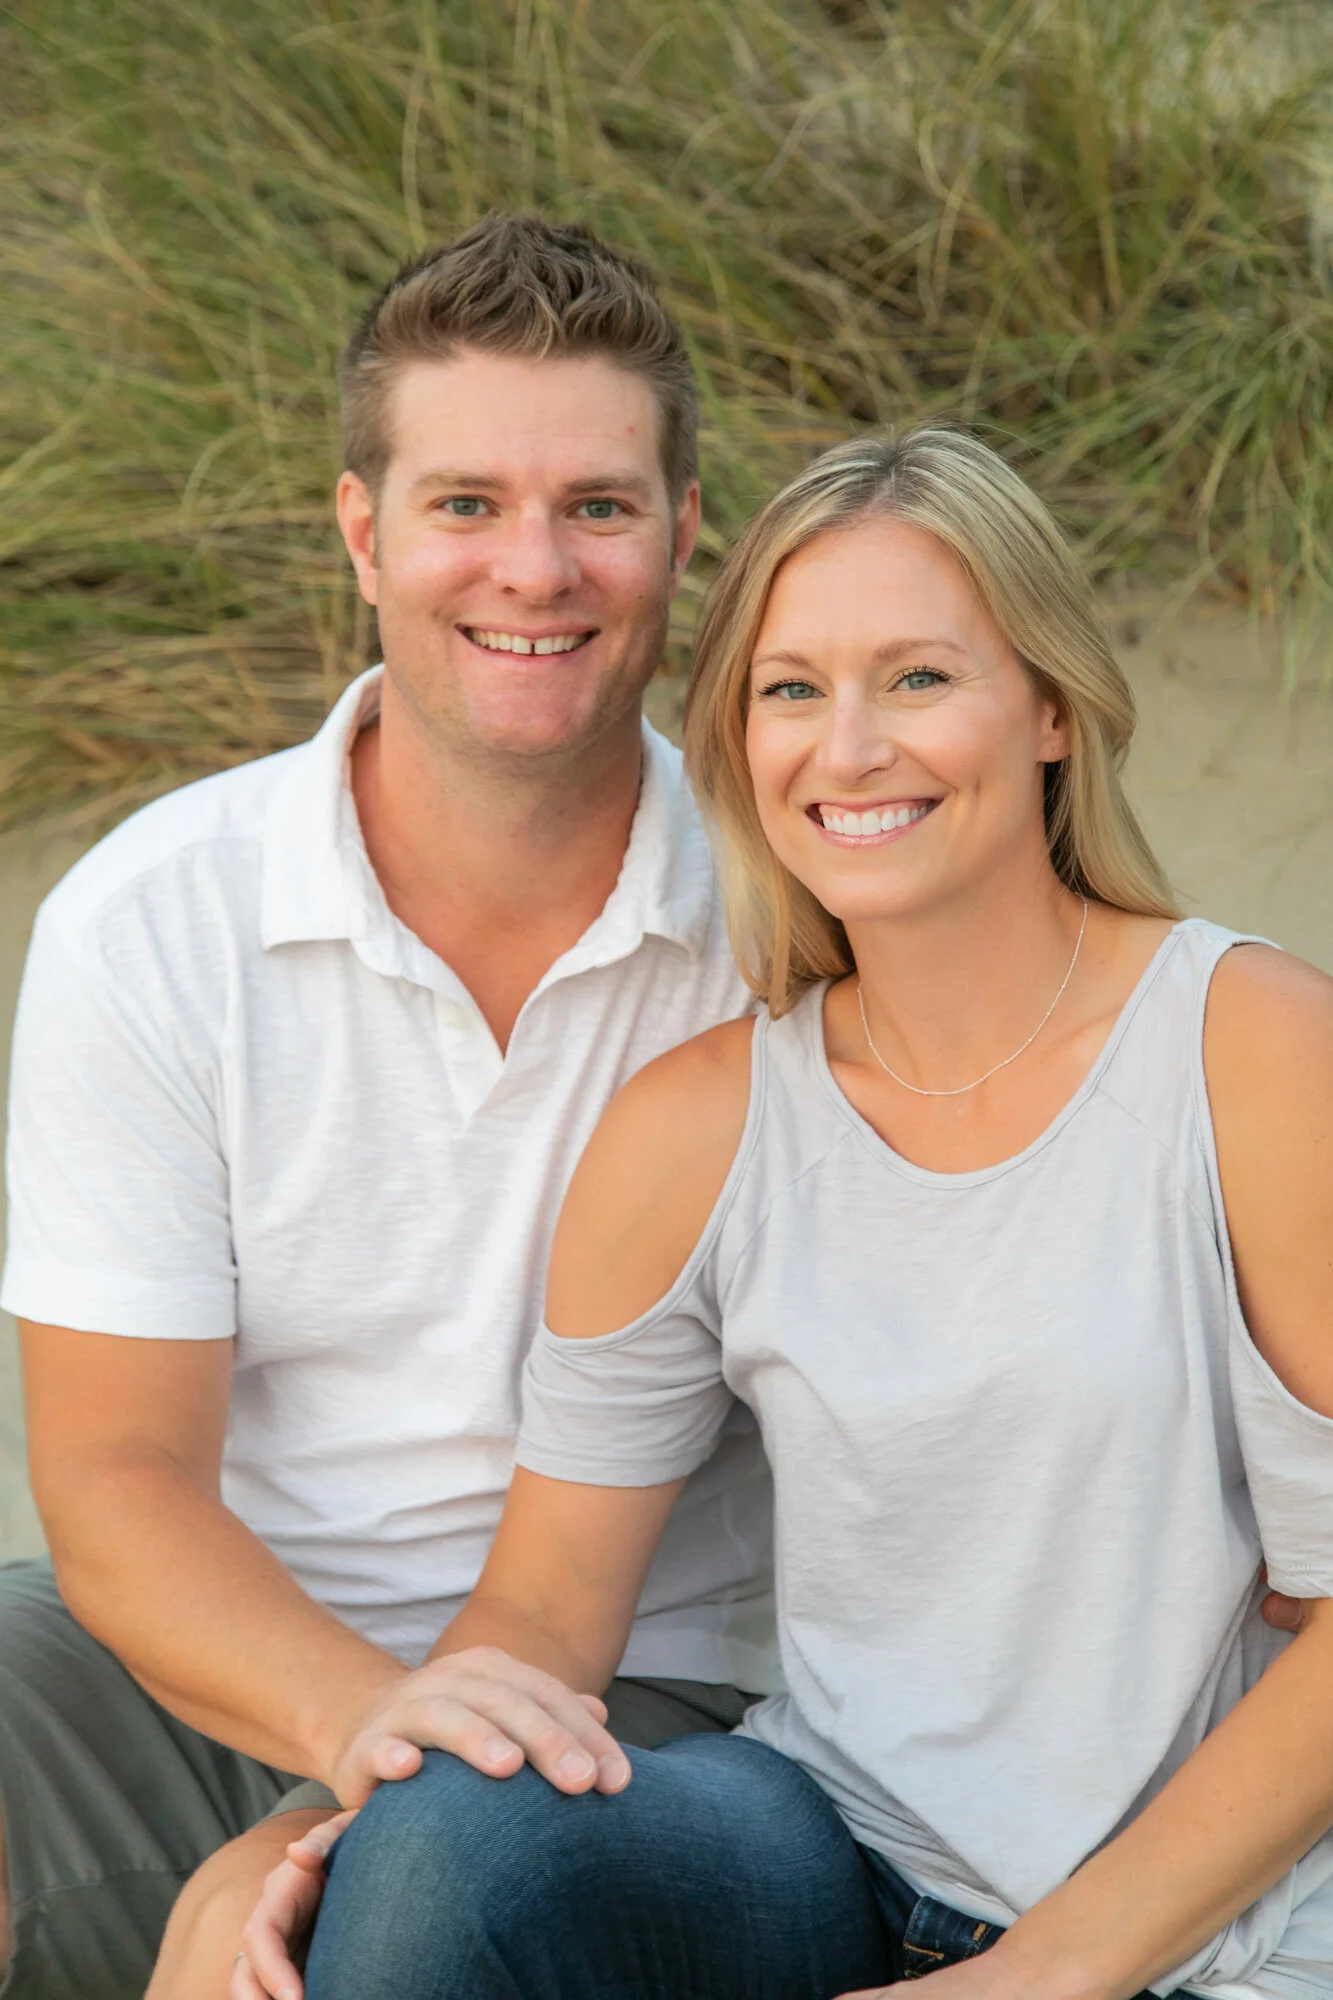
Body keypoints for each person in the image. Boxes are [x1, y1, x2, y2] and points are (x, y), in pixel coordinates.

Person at [280, 425, 1333, 2000]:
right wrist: (318, 1827)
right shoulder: (697, 1125)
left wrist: (1043, 1975)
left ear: (1048, 708)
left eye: (919, 679)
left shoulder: (1253, 1049)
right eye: (792, 689)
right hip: (830, 1851)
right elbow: (547, 1605)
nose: (848, 749)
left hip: (1199, 1933)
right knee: (450, 1841)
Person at [0, 213, 783, 2000]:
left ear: (677, 537)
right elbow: (116, 1478)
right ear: (363, 533)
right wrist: (358, 1727)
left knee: (422, 1893)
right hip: (232, 1650)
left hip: (658, 1681)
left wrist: (338, 1813)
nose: (535, 567)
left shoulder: (787, 922)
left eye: (597, 505)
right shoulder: (154, 919)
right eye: (464, 506)